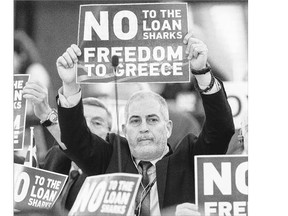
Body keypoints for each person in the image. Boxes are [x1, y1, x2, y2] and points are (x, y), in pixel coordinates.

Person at [55, 32, 234, 215]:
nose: (144, 127)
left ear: (169, 127)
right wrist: (69, 84)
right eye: (135, 120)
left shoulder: (188, 159)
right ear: (124, 129)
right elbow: (74, 139)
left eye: (152, 119)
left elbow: (221, 130)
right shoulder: (110, 156)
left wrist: (202, 72)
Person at [23, 82, 113, 212]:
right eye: (81, 122)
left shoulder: (113, 162)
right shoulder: (56, 155)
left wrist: (46, 114)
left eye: (97, 123)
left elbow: (83, 150)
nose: (86, 128)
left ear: (110, 134)